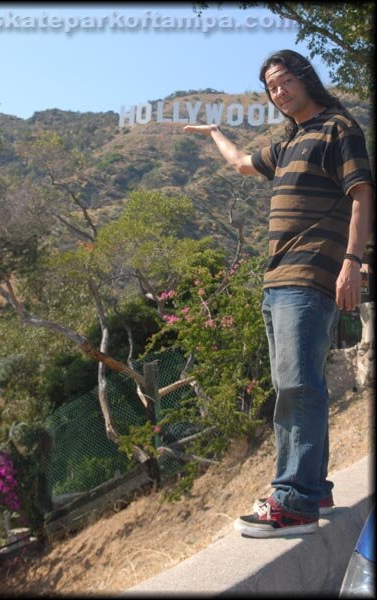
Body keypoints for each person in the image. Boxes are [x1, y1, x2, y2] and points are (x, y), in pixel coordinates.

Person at [184, 49, 374, 538]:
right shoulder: (290, 142)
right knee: (296, 384)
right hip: (277, 279)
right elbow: (243, 164)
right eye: (270, 87)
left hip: (311, 275)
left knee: (296, 386)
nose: (278, 91)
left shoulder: (338, 128)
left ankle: (293, 502)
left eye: (284, 80)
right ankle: (315, 488)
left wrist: (351, 262)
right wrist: (215, 135)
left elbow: (363, 196)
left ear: (306, 79)